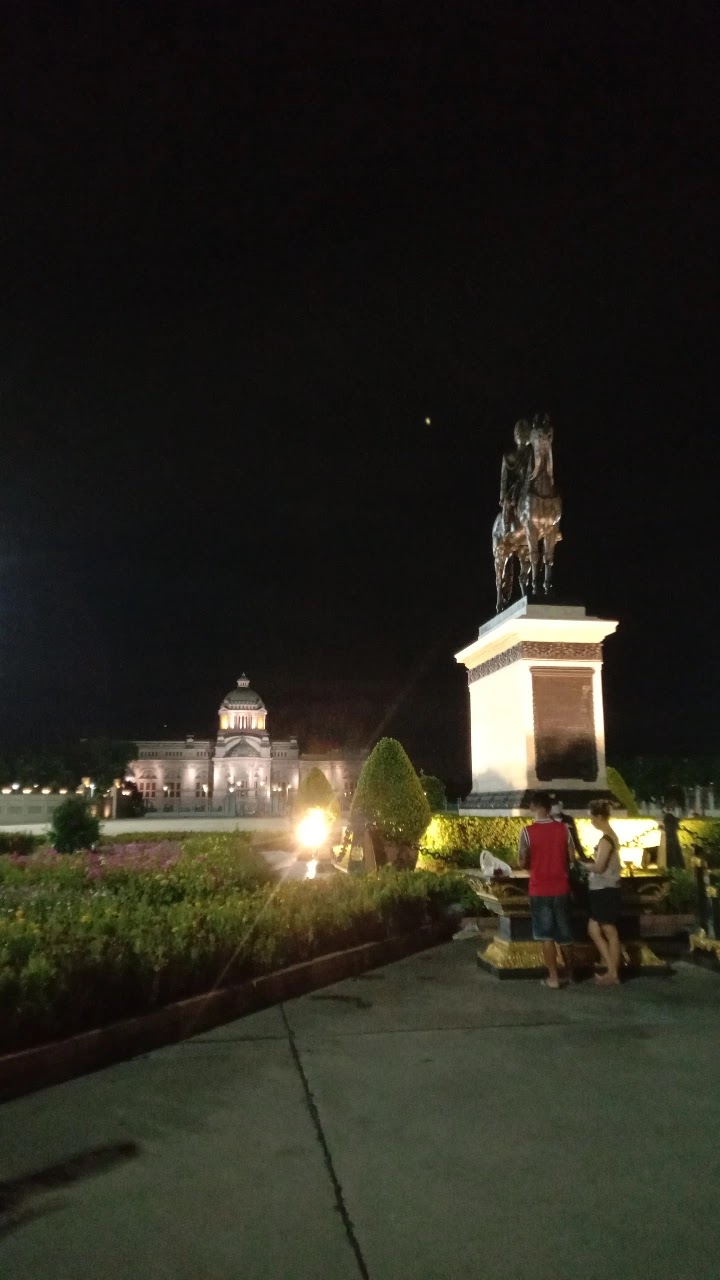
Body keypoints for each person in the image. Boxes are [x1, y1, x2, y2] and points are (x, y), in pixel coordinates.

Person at [518, 791, 576, 988]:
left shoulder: (527, 832)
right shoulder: (564, 829)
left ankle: (553, 977)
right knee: (566, 935)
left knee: (546, 935)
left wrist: (532, 865)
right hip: (561, 887)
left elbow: (521, 861)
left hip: (539, 888)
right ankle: (570, 974)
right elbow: (572, 858)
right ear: (550, 808)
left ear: (534, 806)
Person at [581, 799, 623, 986]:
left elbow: (599, 867)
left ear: (599, 816)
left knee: (608, 929)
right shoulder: (609, 837)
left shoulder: (606, 839)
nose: (591, 822)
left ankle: (613, 973)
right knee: (595, 929)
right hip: (603, 889)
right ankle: (611, 969)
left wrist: (582, 864)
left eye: (592, 818)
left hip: (604, 889)